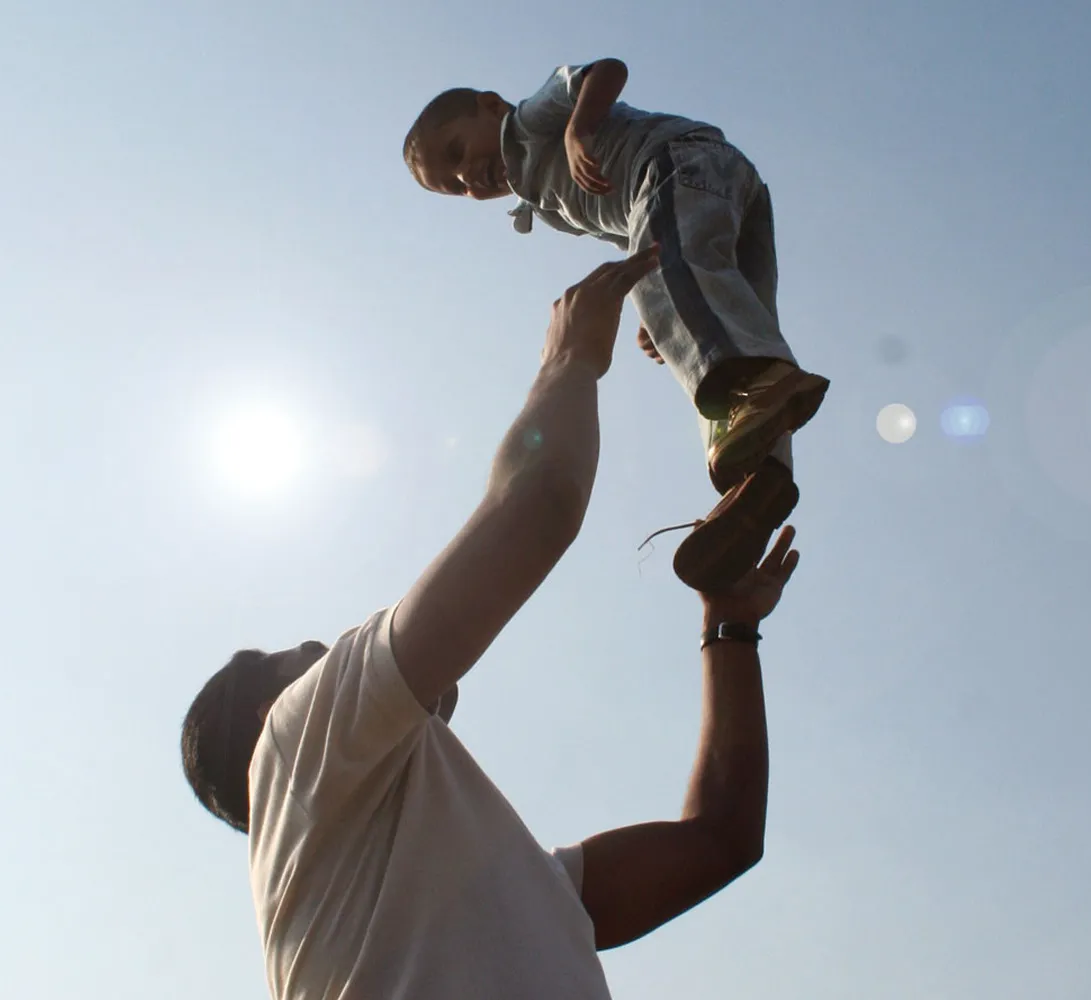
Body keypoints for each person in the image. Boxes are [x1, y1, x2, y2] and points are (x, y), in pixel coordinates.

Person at [179, 250, 802, 1000]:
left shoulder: (515, 883)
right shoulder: (292, 741)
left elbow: (720, 841)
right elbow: (536, 505)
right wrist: (569, 359)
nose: (333, 650)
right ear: (269, 711)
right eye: (311, 657)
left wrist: (728, 628)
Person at [402, 57, 830, 593]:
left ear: (490, 107)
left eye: (457, 154)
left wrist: (578, 129)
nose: (468, 179)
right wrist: (663, 310)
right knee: (742, 318)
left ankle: (759, 391)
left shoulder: (533, 123)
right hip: (724, 191)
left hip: (679, 162)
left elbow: (605, 70)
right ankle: (759, 477)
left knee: (695, 315)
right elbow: (637, 236)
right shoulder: (545, 201)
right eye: (454, 188)